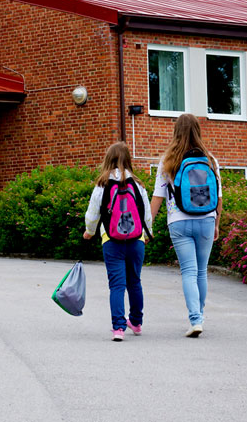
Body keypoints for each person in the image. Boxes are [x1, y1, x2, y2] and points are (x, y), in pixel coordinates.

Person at [150, 113, 222, 338]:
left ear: (176, 131)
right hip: (207, 220)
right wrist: (216, 223)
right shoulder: (210, 160)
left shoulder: (168, 160)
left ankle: (195, 320)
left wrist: (147, 226)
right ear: (198, 131)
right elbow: (218, 197)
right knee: (201, 271)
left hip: (179, 222)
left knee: (189, 271)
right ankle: (198, 316)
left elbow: (158, 197)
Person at [83, 141, 152, 342]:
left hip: (111, 240)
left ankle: (119, 328)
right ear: (128, 160)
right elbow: (146, 214)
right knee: (135, 281)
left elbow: (92, 213)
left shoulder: (102, 185)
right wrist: (146, 235)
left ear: (108, 159)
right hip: (136, 240)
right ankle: (136, 323)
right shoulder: (138, 185)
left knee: (117, 285)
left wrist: (89, 231)